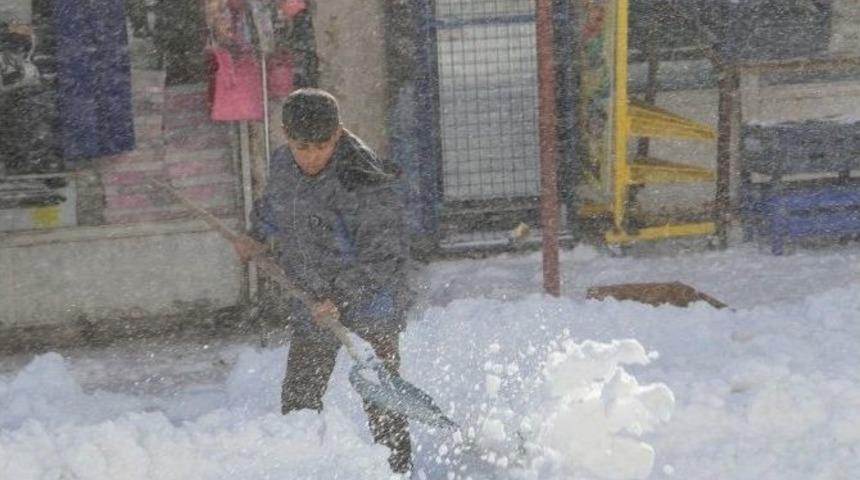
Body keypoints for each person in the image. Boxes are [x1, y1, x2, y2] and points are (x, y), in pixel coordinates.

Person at [234, 88, 413, 474]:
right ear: (285, 135)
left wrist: (340, 298)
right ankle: (303, 468)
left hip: (370, 304)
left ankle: (398, 471)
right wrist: (257, 234)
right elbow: (276, 205)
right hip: (312, 299)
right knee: (300, 396)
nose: (312, 156)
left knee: (381, 399)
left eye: (322, 146)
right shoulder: (284, 164)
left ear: (339, 133)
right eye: (303, 147)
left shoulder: (363, 180)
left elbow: (384, 258)